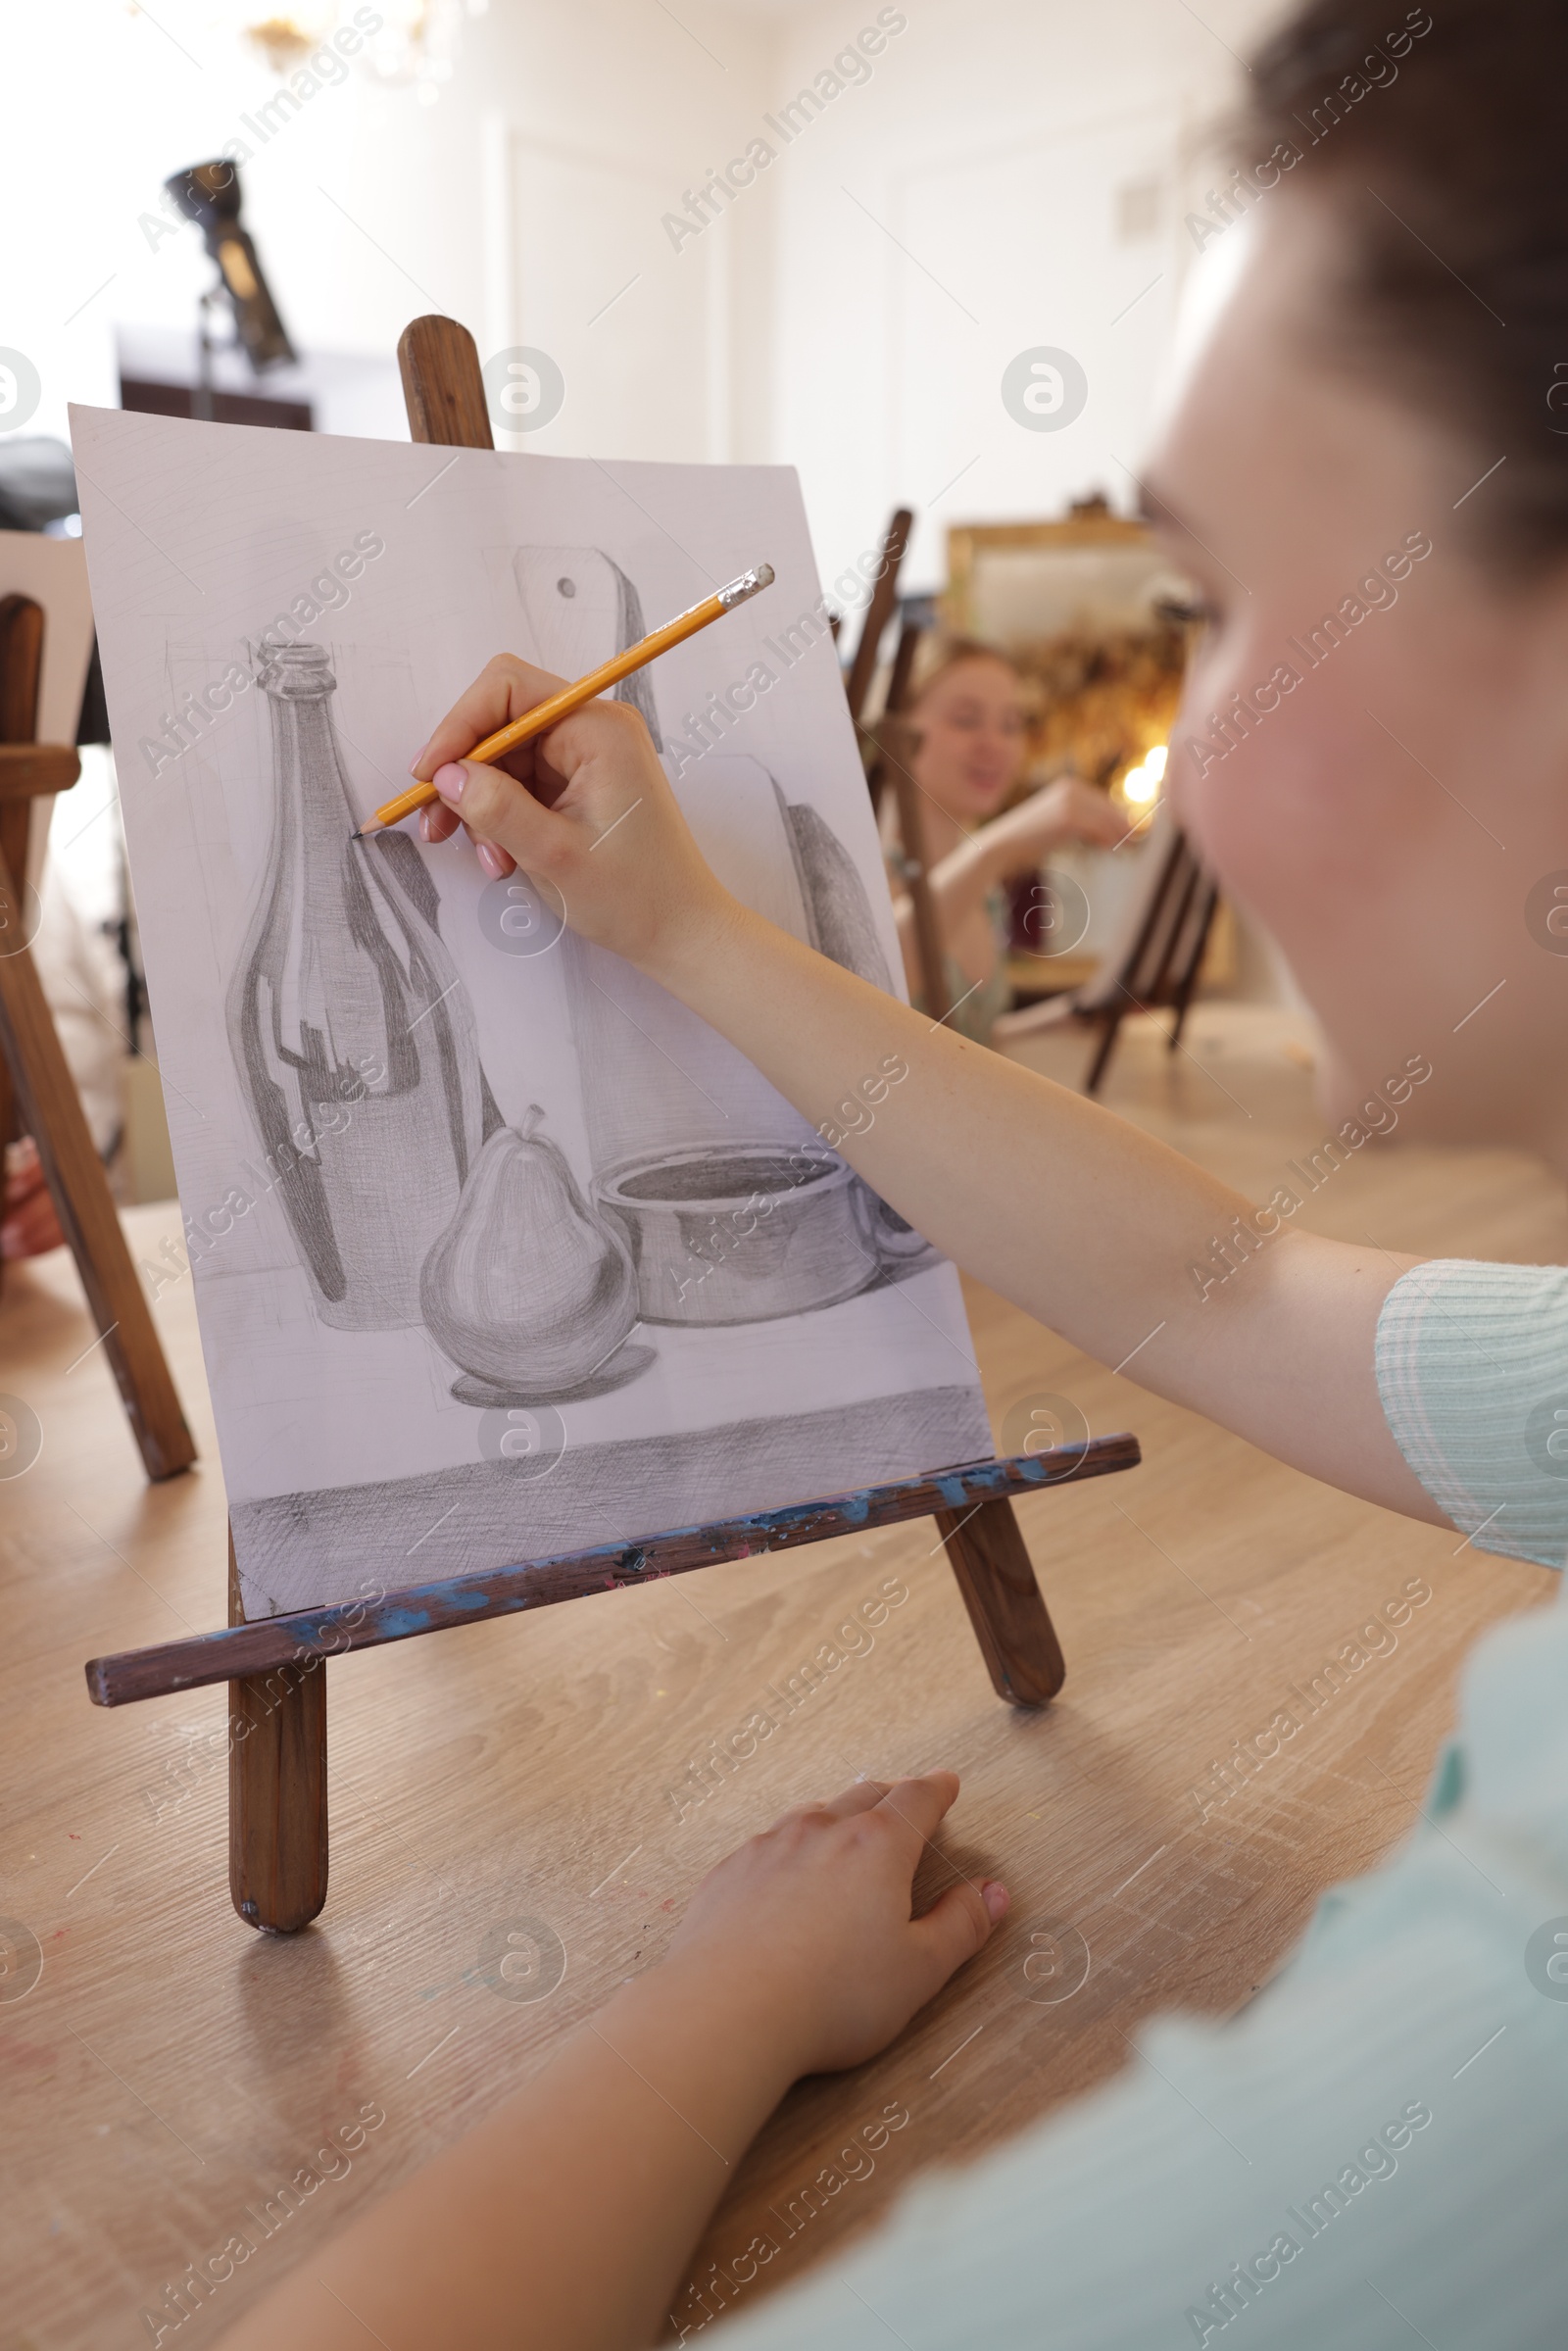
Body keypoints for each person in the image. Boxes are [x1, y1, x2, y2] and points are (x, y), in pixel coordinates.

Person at [216, 3, 1568, 2344]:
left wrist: (715, 2000)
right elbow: (1224, 1281)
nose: (1188, 768)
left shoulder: (1493, 2077)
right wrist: (680, 931)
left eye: (1242, 598)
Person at [878, 640, 1125, 1041]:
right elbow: (880, 977)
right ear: (898, 730)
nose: (994, 744)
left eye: (1011, 725)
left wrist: (1067, 1015)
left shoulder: (984, 891)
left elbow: (967, 1040)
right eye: (965, 720)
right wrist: (999, 847)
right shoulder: (869, 873)